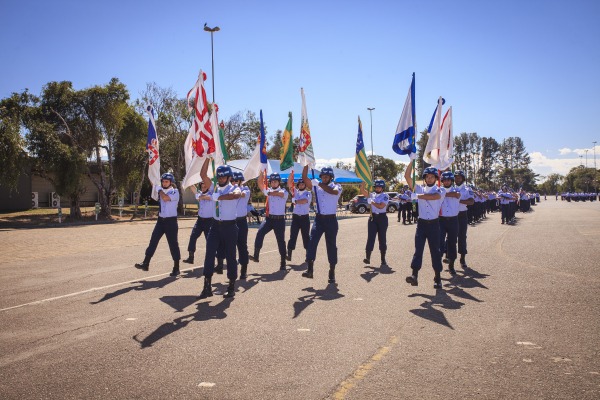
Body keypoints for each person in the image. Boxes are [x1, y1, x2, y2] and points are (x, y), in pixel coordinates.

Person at [198, 160, 242, 299]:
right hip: (215, 226)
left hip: (230, 226)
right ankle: (207, 286)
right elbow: (203, 174)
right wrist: (207, 158)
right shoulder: (214, 187)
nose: (221, 179)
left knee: (230, 256)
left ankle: (231, 286)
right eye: (219, 176)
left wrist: (218, 197)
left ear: (229, 177)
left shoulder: (234, 187)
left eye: (224, 176)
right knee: (209, 254)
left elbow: (235, 196)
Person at [404, 163, 446, 289]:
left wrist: (416, 196)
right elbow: (407, 177)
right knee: (418, 250)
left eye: (432, 177)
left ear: (436, 179)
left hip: (434, 224)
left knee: (435, 252)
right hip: (421, 224)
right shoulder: (419, 188)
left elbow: (434, 197)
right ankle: (414, 275)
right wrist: (411, 161)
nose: (429, 179)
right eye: (427, 177)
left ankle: (437, 277)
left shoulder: (440, 190)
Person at [135, 172, 181, 277]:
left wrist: (159, 189)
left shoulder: (175, 192)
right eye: (163, 181)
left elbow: (165, 198)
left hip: (171, 222)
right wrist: (151, 173)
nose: (164, 183)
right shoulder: (160, 190)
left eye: (166, 181)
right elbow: (154, 184)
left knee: (173, 244)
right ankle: (146, 263)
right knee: (153, 241)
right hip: (160, 221)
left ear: (171, 182)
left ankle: (176, 267)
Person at [302, 165, 342, 283]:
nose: (324, 178)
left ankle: (332, 270)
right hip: (319, 219)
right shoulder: (317, 187)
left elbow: (333, 192)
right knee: (312, 242)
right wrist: (306, 165)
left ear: (331, 177)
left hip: (331, 220)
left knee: (331, 246)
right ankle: (310, 269)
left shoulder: (337, 186)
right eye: (323, 177)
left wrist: (318, 184)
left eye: (326, 176)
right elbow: (305, 179)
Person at [249, 172, 289, 271]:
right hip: (269, 219)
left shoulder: (284, 191)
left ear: (279, 182)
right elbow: (259, 183)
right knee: (260, 233)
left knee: (281, 241)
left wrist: (269, 192)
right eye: (272, 181)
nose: (273, 183)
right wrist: (261, 172)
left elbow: (279, 194)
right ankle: (256, 255)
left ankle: (283, 262)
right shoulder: (268, 190)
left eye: (275, 181)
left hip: (279, 220)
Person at [182, 169, 214, 265]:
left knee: (210, 241)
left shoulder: (212, 194)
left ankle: (213, 258)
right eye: (202, 186)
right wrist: (188, 179)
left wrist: (202, 197)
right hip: (200, 221)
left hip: (209, 221)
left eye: (205, 186)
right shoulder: (200, 194)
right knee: (193, 237)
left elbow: (208, 197)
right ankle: (191, 257)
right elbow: (193, 188)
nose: (203, 188)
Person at [360, 179, 390, 266]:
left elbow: (381, 206)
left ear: (382, 188)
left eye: (379, 187)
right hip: (373, 217)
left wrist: (372, 202)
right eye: (376, 187)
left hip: (382, 218)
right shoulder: (371, 194)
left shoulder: (385, 196)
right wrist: (363, 183)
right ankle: (367, 258)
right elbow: (362, 191)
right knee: (370, 238)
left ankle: (383, 259)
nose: (377, 188)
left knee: (382, 238)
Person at [439, 171, 461, 275]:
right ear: (442, 181)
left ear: (451, 181)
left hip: (453, 220)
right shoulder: (438, 190)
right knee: (439, 242)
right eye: (445, 180)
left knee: (452, 242)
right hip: (441, 220)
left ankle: (451, 265)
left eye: (449, 180)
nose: (447, 182)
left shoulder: (456, 189)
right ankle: (438, 265)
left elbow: (456, 195)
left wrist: (442, 195)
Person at [286, 177, 312, 262]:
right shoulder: (295, 192)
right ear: (298, 185)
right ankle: (289, 254)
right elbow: (289, 183)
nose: (301, 185)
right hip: (296, 218)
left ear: (305, 185)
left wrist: (296, 201)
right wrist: (291, 174)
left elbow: (304, 201)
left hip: (304, 218)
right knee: (293, 236)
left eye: (303, 184)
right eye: (300, 184)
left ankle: (308, 255)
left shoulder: (308, 193)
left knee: (306, 237)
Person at [453, 170, 474, 269]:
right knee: (451, 238)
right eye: (456, 177)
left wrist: (459, 200)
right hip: (451, 215)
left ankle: (462, 258)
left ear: (463, 179)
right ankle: (451, 259)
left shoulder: (467, 189)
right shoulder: (451, 188)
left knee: (462, 237)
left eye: (459, 177)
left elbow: (471, 202)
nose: (457, 179)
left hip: (462, 215)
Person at [232, 171, 251, 280]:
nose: (234, 182)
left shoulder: (245, 189)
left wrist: (233, 192)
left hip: (241, 222)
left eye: (236, 181)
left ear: (240, 181)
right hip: (231, 221)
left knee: (242, 246)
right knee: (229, 246)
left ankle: (244, 269)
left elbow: (242, 195)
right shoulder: (229, 189)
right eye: (232, 181)